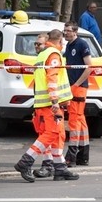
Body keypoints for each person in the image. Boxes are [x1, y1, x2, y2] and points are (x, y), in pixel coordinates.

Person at [14, 28, 78, 182]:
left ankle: (60, 168)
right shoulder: (53, 55)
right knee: (51, 134)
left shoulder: (42, 54)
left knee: (57, 135)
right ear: (60, 40)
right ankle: (26, 161)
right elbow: (52, 79)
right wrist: (55, 101)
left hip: (43, 103)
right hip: (50, 104)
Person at [62, 22, 93, 166]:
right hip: (73, 86)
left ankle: (71, 156)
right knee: (80, 120)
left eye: (68, 30)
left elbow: (89, 67)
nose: (65, 33)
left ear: (75, 31)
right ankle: (83, 155)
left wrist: (76, 85)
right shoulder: (69, 46)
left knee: (74, 120)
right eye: (64, 30)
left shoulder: (81, 44)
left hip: (78, 88)